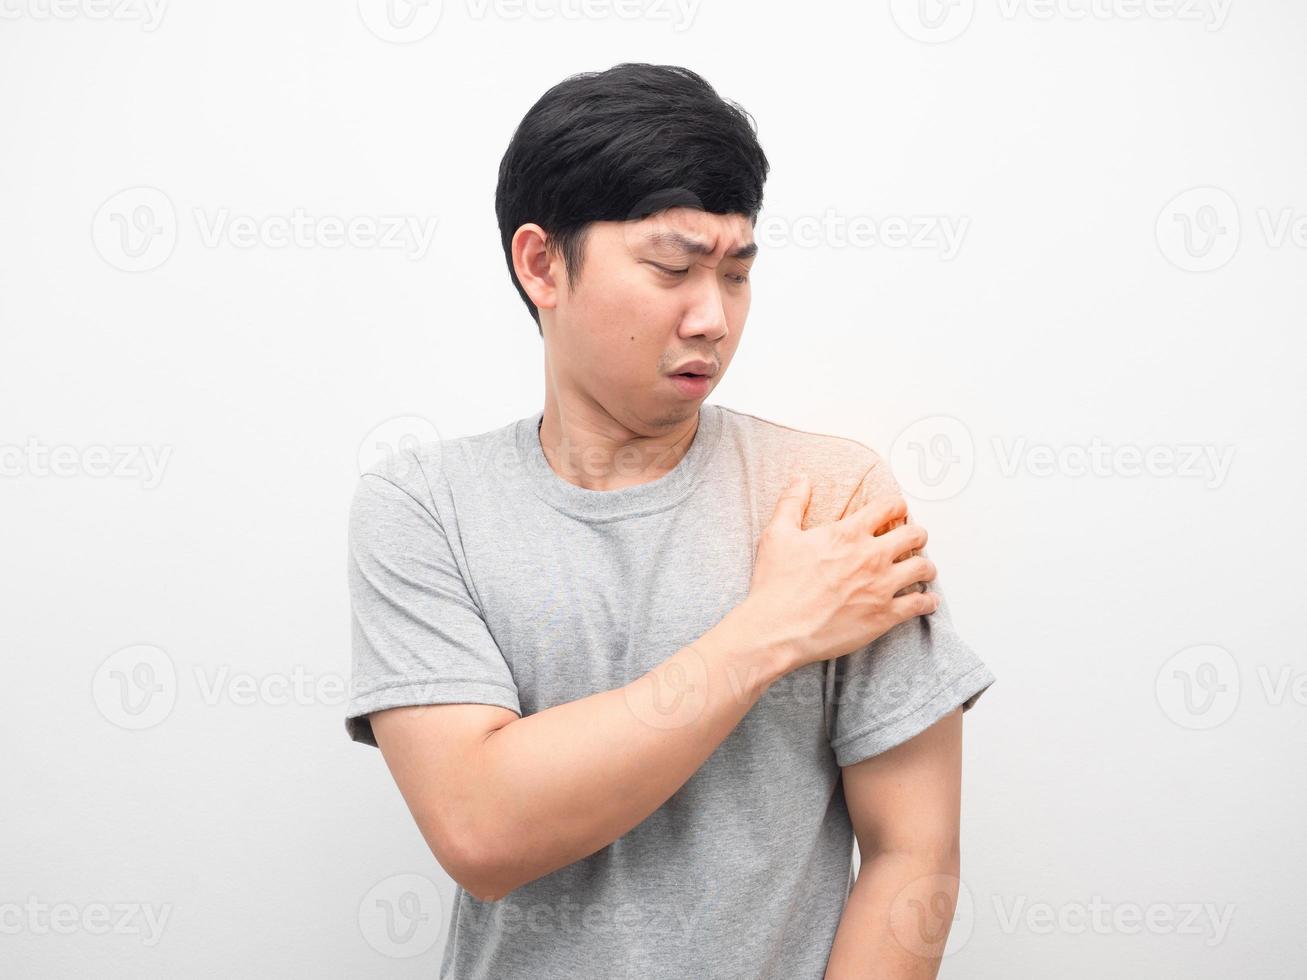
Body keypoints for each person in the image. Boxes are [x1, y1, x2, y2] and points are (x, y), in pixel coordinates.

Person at [344, 62, 995, 980]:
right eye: (672, 268)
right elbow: (482, 828)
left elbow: (911, 854)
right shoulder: (426, 507)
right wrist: (771, 630)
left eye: (736, 273)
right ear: (541, 264)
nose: (712, 317)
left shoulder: (829, 495)